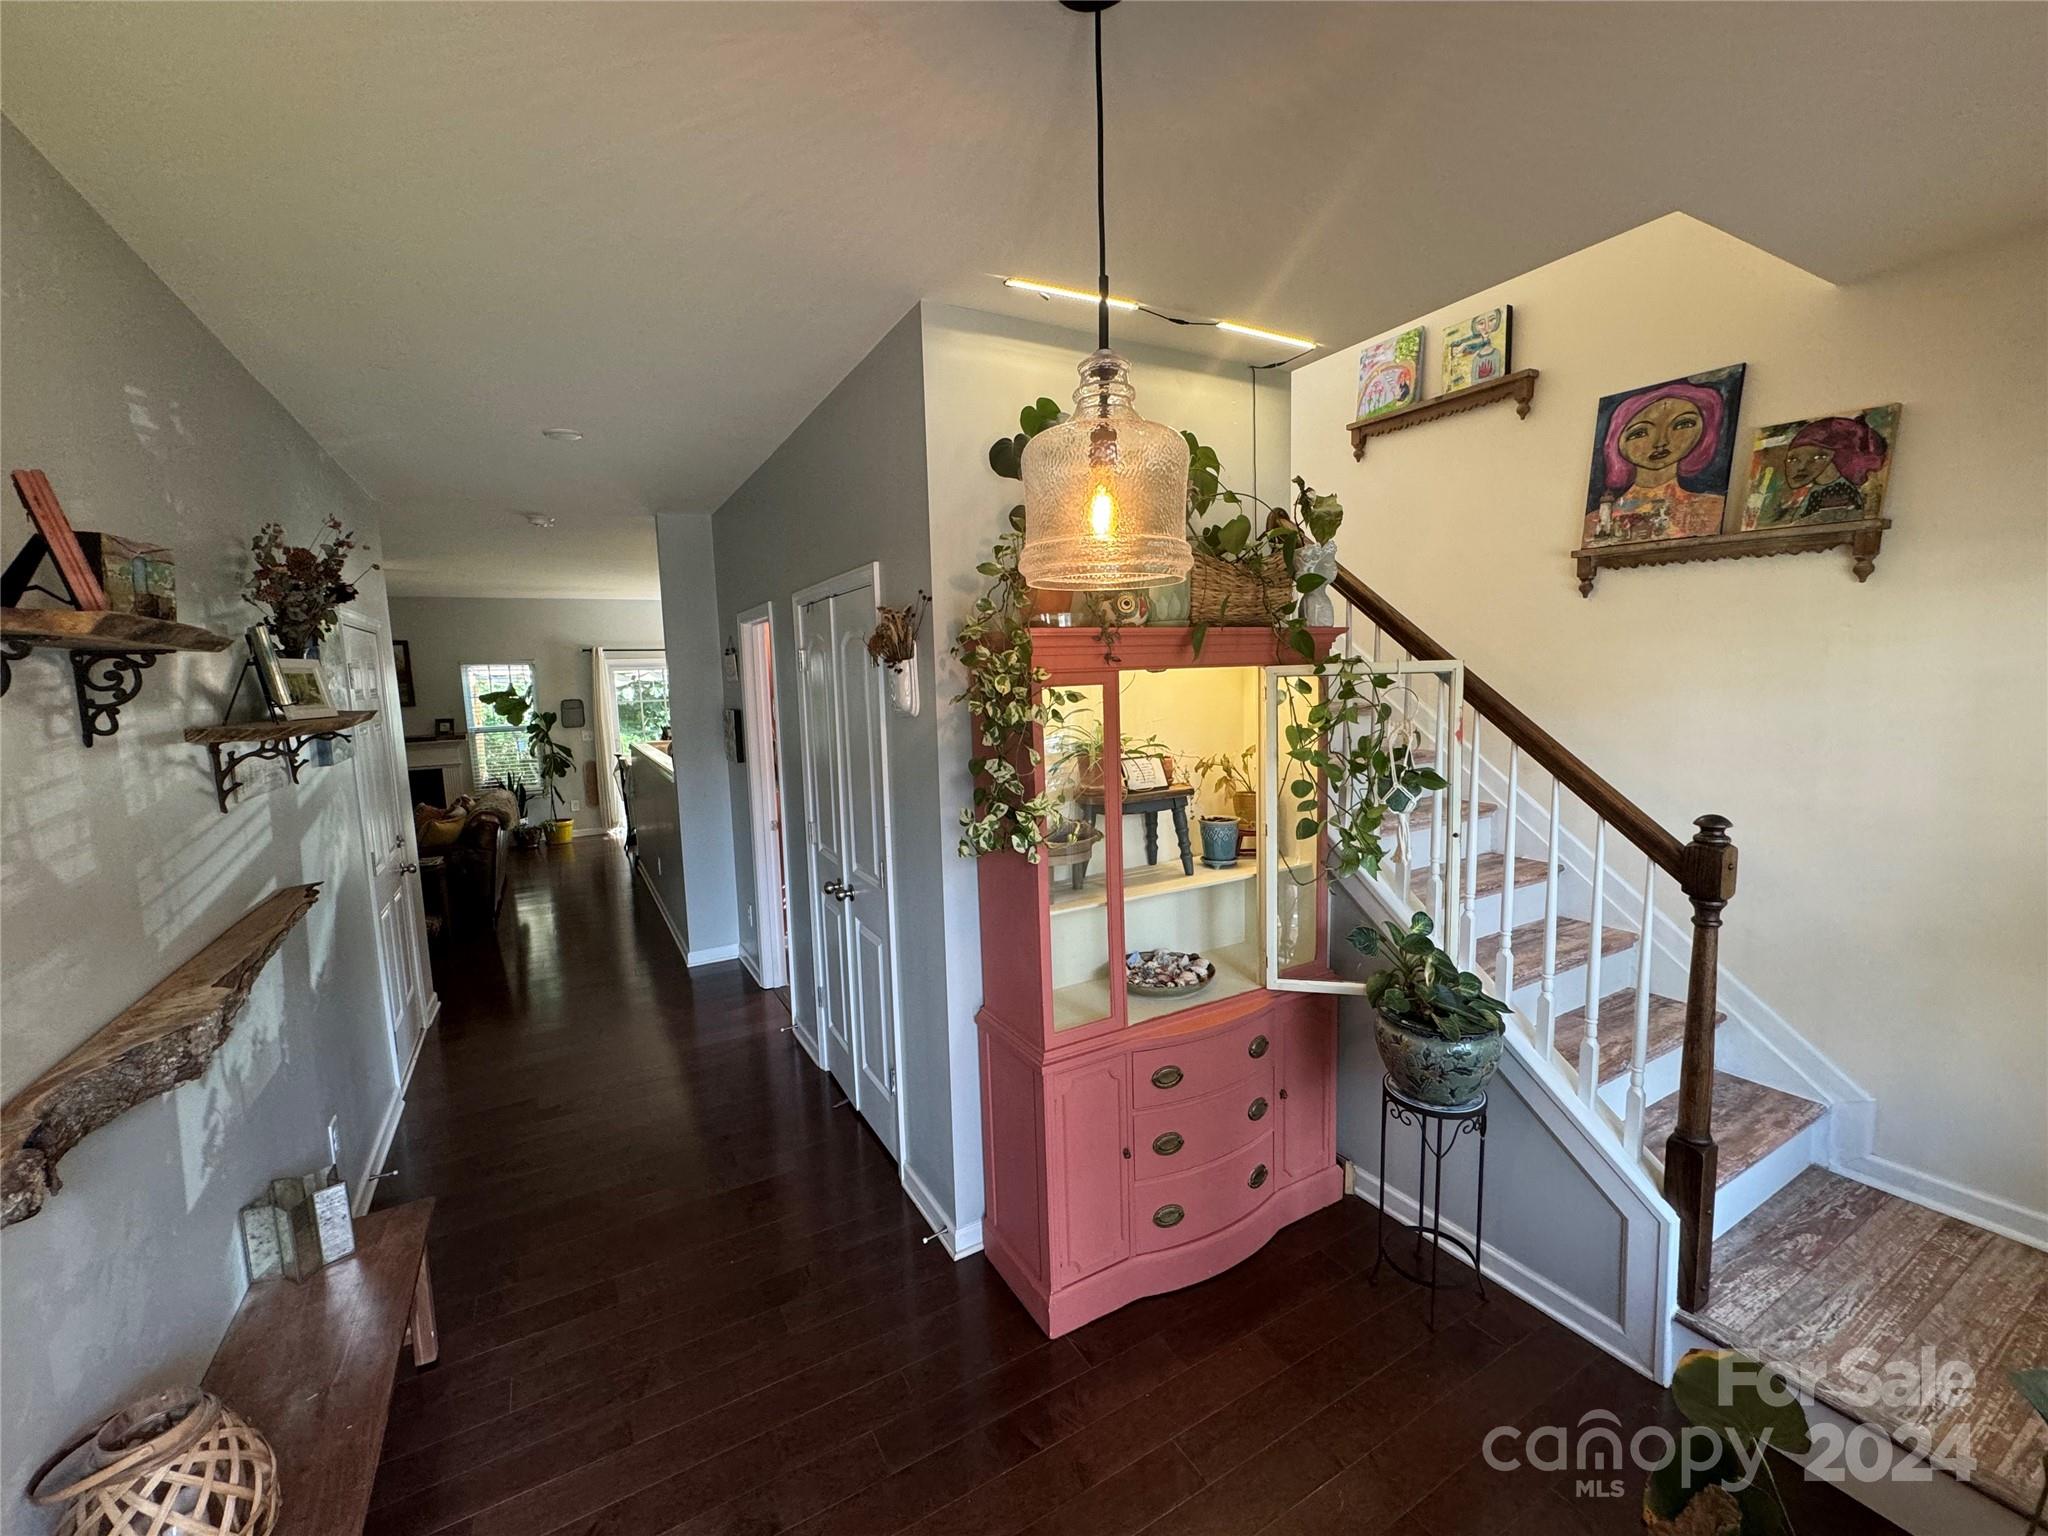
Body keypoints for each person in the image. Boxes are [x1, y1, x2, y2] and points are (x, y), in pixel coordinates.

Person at [1588, 381, 1730, 542]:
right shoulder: (1595, 522)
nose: (1661, 442)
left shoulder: (1714, 508)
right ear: (1616, 442)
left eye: (1683, 424)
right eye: (1640, 432)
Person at [1756, 415, 1890, 525]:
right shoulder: (1817, 492)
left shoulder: (1838, 491)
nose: (1802, 467)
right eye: (1793, 459)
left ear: (1840, 457)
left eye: (1818, 457)